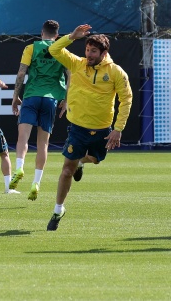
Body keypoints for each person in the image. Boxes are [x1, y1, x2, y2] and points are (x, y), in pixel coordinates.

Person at [45, 24, 132, 230]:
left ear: (104, 52)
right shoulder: (77, 64)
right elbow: (53, 49)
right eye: (87, 50)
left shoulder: (116, 72)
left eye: (93, 51)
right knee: (67, 170)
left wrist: (118, 129)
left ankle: (82, 162)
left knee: (94, 159)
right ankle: (58, 209)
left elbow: (126, 99)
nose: (89, 54)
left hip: (102, 129)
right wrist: (72, 37)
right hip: (77, 128)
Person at [10, 20, 68, 200]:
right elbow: (71, 74)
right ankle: (36, 182)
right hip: (50, 98)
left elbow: (21, 73)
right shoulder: (62, 50)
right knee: (43, 144)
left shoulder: (31, 48)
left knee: (23, 137)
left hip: (32, 96)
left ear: (41, 33)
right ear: (57, 35)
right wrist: (66, 99)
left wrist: (15, 97)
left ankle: (19, 167)